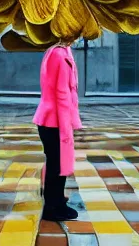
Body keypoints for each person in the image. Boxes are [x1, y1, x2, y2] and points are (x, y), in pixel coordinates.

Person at [33, 42, 82, 221]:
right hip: (54, 120)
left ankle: (57, 201)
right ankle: (53, 208)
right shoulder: (59, 54)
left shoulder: (59, 50)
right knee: (56, 165)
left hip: (53, 118)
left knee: (57, 163)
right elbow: (61, 93)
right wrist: (66, 125)